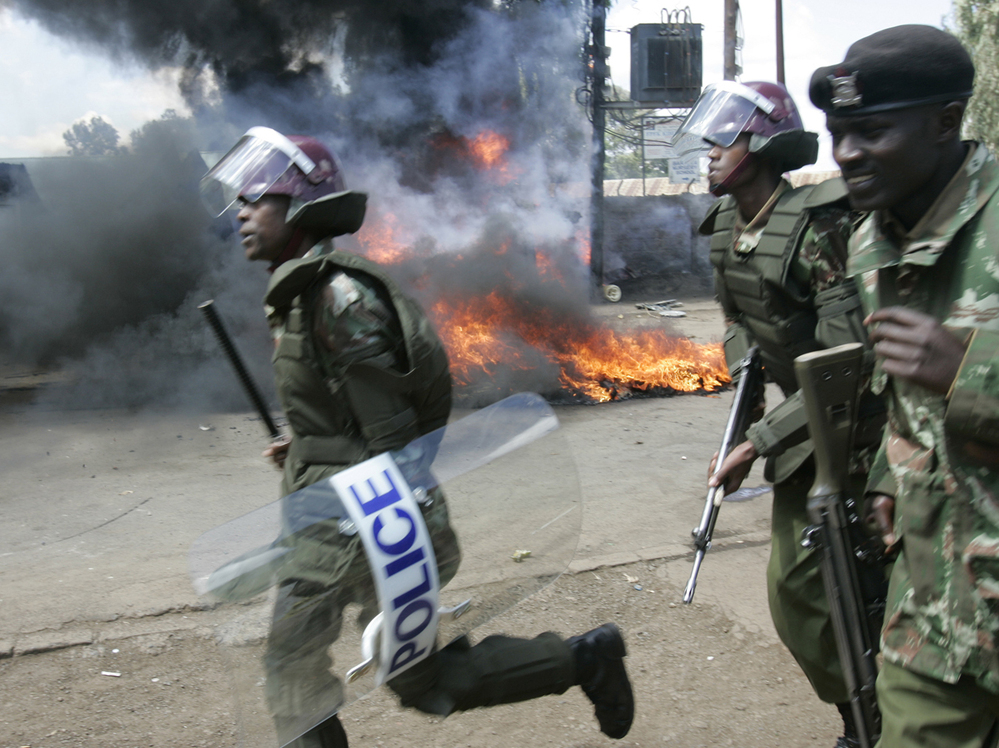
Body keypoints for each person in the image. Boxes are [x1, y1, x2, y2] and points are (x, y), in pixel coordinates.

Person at [200, 127, 634, 748]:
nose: (240, 211)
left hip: (356, 523)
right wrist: (307, 446)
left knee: (300, 671)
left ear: (297, 207)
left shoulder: (336, 298)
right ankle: (582, 660)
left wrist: (381, 519)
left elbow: (395, 437)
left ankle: (580, 661)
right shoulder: (302, 293)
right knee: (418, 680)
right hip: (344, 511)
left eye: (255, 198)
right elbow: (348, 419)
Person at [675, 81, 886, 747]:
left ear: (762, 146)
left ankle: (878, 723)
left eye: (726, 138)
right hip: (801, 435)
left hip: (861, 436)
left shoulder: (819, 223)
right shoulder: (725, 233)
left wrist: (758, 441)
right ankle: (861, 715)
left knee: (865, 594)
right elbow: (741, 332)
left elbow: (846, 358)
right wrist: (739, 433)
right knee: (797, 596)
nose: (710, 152)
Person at [810, 24, 999, 747]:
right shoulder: (869, 243)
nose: (847, 154)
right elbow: (902, 400)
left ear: (945, 121)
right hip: (935, 609)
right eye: (837, 134)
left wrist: (967, 372)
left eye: (871, 131)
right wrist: (892, 475)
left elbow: (942, 377)